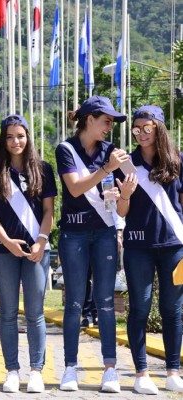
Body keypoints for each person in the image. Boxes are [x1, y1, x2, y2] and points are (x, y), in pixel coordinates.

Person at [55, 96, 128, 393]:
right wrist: (106, 170)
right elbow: (74, 188)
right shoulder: (66, 149)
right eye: (107, 121)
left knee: (106, 302)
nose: (110, 127)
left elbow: (126, 200)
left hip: (106, 233)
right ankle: (70, 368)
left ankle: (110, 369)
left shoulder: (111, 152)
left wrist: (124, 196)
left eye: (112, 122)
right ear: (89, 120)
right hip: (73, 234)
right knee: (74, 302)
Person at [0, 114, 56, 393]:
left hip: (38, 249)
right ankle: (12, 370)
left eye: (21, 136)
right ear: (3, 139)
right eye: (10, 136)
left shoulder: (43, 169)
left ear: (28, 138)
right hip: (3, 251)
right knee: (8, 313)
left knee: (36, 313)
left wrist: (41, 240)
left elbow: (49, 211)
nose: (16, 141)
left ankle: (36, 370)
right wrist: (7, 241)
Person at [115, 105, 183, 394]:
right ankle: (141, 373)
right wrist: (126, 195)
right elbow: (120, 209)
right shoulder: (126, 163)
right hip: (138, 245)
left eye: (147, 128)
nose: (141, 133)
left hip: (175, 246)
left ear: (159, 128)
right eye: (136, 128)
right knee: (140, 308)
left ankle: (172, 371)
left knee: (173, 309)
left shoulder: (178, 161)